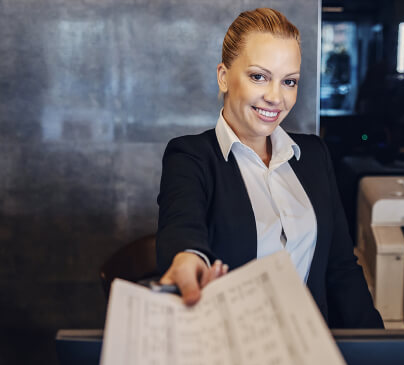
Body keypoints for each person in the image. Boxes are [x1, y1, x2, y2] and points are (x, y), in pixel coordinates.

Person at [156, 8, 382, 328]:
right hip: (236, 356)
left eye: (289, 81)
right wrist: (187, 257)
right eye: (259, 76)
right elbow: (182, 227)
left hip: (313, 353)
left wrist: (379, 355)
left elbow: (341, 268)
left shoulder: (314, 155)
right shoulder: (190, 157)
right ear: (224, 76)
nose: (276, 97)